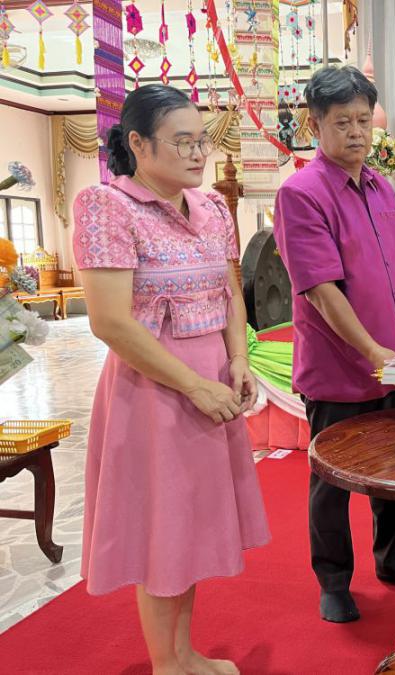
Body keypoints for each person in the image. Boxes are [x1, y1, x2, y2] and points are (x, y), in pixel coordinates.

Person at [73, 84, 270, 675]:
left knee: (190, 528)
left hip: (212, 380)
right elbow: (110, 322)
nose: (197, 153)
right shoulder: (107, 206)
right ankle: (167, 664)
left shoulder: (211, 208)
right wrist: (193, 385)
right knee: (163, 530)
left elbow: (231, 293)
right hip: (154, 389)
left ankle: (184, 654)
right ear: (138, 144)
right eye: (182, 142)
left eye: (201, 141)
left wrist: (238, 359)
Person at [273, 65, 395, 624]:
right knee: (331, 481)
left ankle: (393, 561)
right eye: (343, 122)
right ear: (315, 125)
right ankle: (334, 580)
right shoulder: (301, 194)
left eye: (364, 120)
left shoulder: (381, 186)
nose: (357, 132)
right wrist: (372, 352)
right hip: (340, 368)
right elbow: (320, 291)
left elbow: (394, 279)